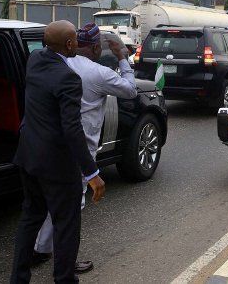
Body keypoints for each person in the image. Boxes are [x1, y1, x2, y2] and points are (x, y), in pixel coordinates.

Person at [32, 23, 137, 273]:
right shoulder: (98, 73)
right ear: (96, 47)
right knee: (71, 208)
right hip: (80, 150)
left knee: (51, 201)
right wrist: (123, 58)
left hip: (49, 144)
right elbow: (131, 90)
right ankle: (64, 263)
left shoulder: (54, 64)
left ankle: (40, 248)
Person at [10, 20, 106, 284]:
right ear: (68, 44)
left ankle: (18, 279)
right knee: (66, 226)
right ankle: (65, 280)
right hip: (56, 166)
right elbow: (72, 130)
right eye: (75, 39)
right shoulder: (68, 78)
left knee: (30, 218)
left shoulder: (35, 61)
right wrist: (92, 173)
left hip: (28, 156)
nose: (77, 42)